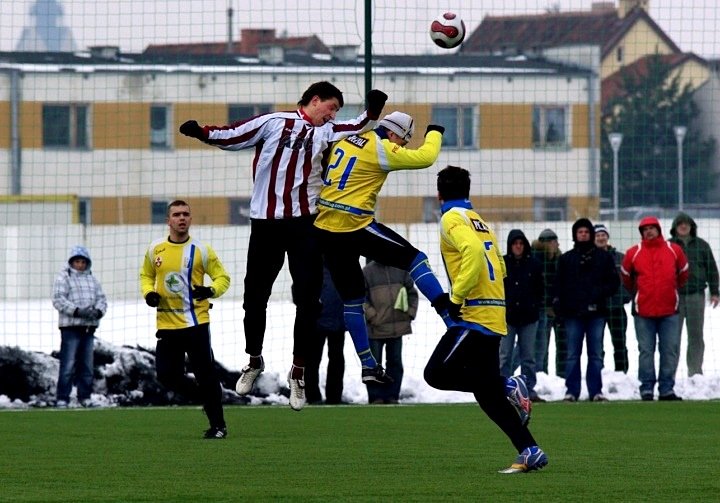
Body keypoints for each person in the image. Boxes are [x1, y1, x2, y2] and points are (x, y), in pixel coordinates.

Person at [179, 82, 388, 411]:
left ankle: (298, 373)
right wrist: (201, 131)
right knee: (254, 296)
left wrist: (374, 109)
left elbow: (359, 124)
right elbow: (233, 134)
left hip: (305, 224)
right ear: (314, 100)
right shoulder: (274, 122)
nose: (332, 114)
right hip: (265, 224)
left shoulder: (329, 130)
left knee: (308, 301)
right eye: (330, 107)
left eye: (336, 110)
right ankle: (254, 360)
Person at [313, 111, 455, 386]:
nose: (401, 147)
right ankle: (448, 316)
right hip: (353, 225)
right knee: (416, 259)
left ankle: (368, 365)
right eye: (402, 141)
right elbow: (426, 157)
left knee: (353, 300)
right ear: (392, 133)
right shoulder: (381, 147)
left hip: (325, 230)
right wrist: (435, 131)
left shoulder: (346, 140)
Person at [424, 165, 547, 474]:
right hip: (493, 311)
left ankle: (508, 383)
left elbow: (475, 254)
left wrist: (456, 297)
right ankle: (530, 449)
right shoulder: (478, 220)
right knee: (486, 395)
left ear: (439, 194)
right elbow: (500, 268)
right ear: (467, 192)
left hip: (474, 315)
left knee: (436, 373)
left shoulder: (451, 218)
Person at [140, 200, 231, 438]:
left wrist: (210, 291)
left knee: (206, 374)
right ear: (168, 220)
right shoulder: (155, 249)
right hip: (167, 324)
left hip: (196, 323)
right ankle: (206, 396)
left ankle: (218, 426)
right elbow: (146, 276)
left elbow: (223, 278)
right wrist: (149, 293)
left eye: (186, 214)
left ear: (191, 219)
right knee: (166, 375)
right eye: (177, 214)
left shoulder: (202, 250)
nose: (182, 218)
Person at [621, 216, 689, 401]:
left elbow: (683, 273)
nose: (649, 231)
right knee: (646, 351)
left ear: (659, 229)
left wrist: (671, 291)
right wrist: (639, 294)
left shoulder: (674, 250)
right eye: (645, 229)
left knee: (669, 350)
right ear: (641, 233)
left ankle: (667, 388)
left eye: (652, 228)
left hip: (669, 311)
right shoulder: (633, 253)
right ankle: (647, 388)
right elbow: (626, 277)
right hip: (643, 311)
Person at [554, 219, 619, 402]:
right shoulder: (566, 259)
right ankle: (571, 391)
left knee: (596, 354)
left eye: (586, 231)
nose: (583, 234)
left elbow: (614, 283)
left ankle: (595, 391)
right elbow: (558, 285)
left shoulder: (603, 257)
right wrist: (560, 304)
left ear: (590, 234)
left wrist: (599, 293)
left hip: (596, 313)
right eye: (580, 232)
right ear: (575, 234)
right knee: (573, 354)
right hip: (573, 314)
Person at [51, 245, 107, 408]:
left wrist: (97, 312)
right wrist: (76, 311)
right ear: (71, 262)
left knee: (87, 365)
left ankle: (85, 396)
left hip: (88, 328)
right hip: (70, 328)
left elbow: (102, 299)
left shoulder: (92, 280)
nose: (80, 265)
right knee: (68, 364)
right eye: (77, 261)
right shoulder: (63, 278)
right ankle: (62, 397)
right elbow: (58, 300)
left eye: (83, 262)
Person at [668, 212, 720, 376]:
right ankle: (670, 373)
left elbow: (712, 269)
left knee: (696, 336)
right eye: (680, 223)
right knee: (672, 337)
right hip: (674, 297)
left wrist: (715, 291)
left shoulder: (702, 245)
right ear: (675, 227)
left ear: (692, 227)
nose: (683, 226)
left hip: (696, 295)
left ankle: (695, 372)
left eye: (687, 223)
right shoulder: (668, 246)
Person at [363, 260, 419, 404]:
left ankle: (392, 396)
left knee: (395, 363)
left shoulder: (401, 269)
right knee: (374, 365)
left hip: (397, 327)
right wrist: (372, 315)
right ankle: (376, 397)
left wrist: (410, 313)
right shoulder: (367, 272)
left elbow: (412, 293)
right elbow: (362, 297)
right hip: (375, 327)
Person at [499, 229, 544, 402]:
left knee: (528, 356)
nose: (518, 247)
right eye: (515, 244)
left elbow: (540, 288)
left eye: (521, 244)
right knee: (505, 355)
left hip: (528, 317)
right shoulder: (502, 264)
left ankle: (528, 389)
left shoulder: (534, 264)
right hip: (507, 318)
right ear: (510, 246)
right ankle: (502, 388)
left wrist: (534, 305)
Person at [303, 265, 346, 405]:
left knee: (336, 359)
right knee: (313, 360)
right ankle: (313, 395)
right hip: (317, 323)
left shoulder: (342, 266)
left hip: (338, 322)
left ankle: (334, 396)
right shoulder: (311, 266)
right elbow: (299, 290)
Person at [593, 224, 631, 373]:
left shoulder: (621, 258)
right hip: (597, 309)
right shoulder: (589, 258)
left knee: (620, 343)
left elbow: (629, 280)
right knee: (596, 344)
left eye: (603, 235)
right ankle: (598, 372)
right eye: (598, 235)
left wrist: (625, 297)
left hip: (616, 307)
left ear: (607, 237)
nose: (601, 238)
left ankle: (622, 373)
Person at [531, 228, 566, 377]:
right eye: (553, 242)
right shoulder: (535, 261)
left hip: (560, 309)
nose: (556, 244)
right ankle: (541, 375)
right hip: (541, 309)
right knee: (541, 346)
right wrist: (546, 306)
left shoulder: (560, 260)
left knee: (563, 345)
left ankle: (561, 376)